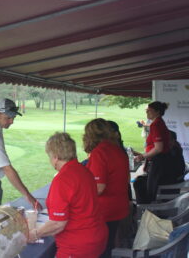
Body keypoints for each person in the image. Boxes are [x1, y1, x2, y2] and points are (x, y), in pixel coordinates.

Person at [28, 132, 107, 258]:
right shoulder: (83, 170)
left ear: (55, 157)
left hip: (78, 244)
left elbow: (57, 223)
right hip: (96, 235)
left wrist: (34, 234)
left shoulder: (62, 179)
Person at [83, 118, 130, 258]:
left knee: (100, 250)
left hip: (104, 210)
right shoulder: (117, 149)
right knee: (107, 246)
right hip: (118, 206)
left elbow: (98, 188)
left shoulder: (100, 152)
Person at [133, 101, 175, 203]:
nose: (147, 113)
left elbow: (158, 148)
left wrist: (143, 156)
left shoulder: (156, 125)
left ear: (157, 112)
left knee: (150, 190)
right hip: (160, 160)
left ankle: (148, 211)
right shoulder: (158, 122)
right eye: (146, 110)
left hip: (159, 161)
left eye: (149, 111)